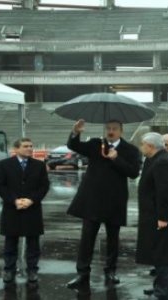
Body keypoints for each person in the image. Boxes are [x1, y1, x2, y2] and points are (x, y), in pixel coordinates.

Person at [65, 119, 141, 293]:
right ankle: (82, 274)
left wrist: (117, 159)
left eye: (114, 128)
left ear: (121, 131)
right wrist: (76, 132)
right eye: (108, 128)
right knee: (87, 239)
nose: (110, 131)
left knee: (113, 239)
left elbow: (133, 173)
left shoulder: (130, 150)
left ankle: (111, 271)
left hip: (115, 201)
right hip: (92, 200)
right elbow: (74, 146)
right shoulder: (95, 144)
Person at [136, 132, 168, 300]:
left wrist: (163, 217)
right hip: (155, 215)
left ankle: (164, 291)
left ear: (150, 146)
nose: (141, 147)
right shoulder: (156, 159)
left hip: (161, 217)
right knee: (161, 253)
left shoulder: (162, 162)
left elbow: (165, 193)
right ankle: (166, 287)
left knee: (164, 254)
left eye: (142, 144)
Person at [0, 138, 50, 284]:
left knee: (33, 242)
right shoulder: (4, 165)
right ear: (16, 149)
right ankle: (9, 270)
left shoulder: (39, 165)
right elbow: (0, 185)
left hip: (33, 208)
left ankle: (32, 270)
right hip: (12, 208)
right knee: (10, 241)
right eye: (26, 146)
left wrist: (31, 200)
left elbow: (44, 186)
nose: (30, 149)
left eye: (31, 146)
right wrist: (14, 200)